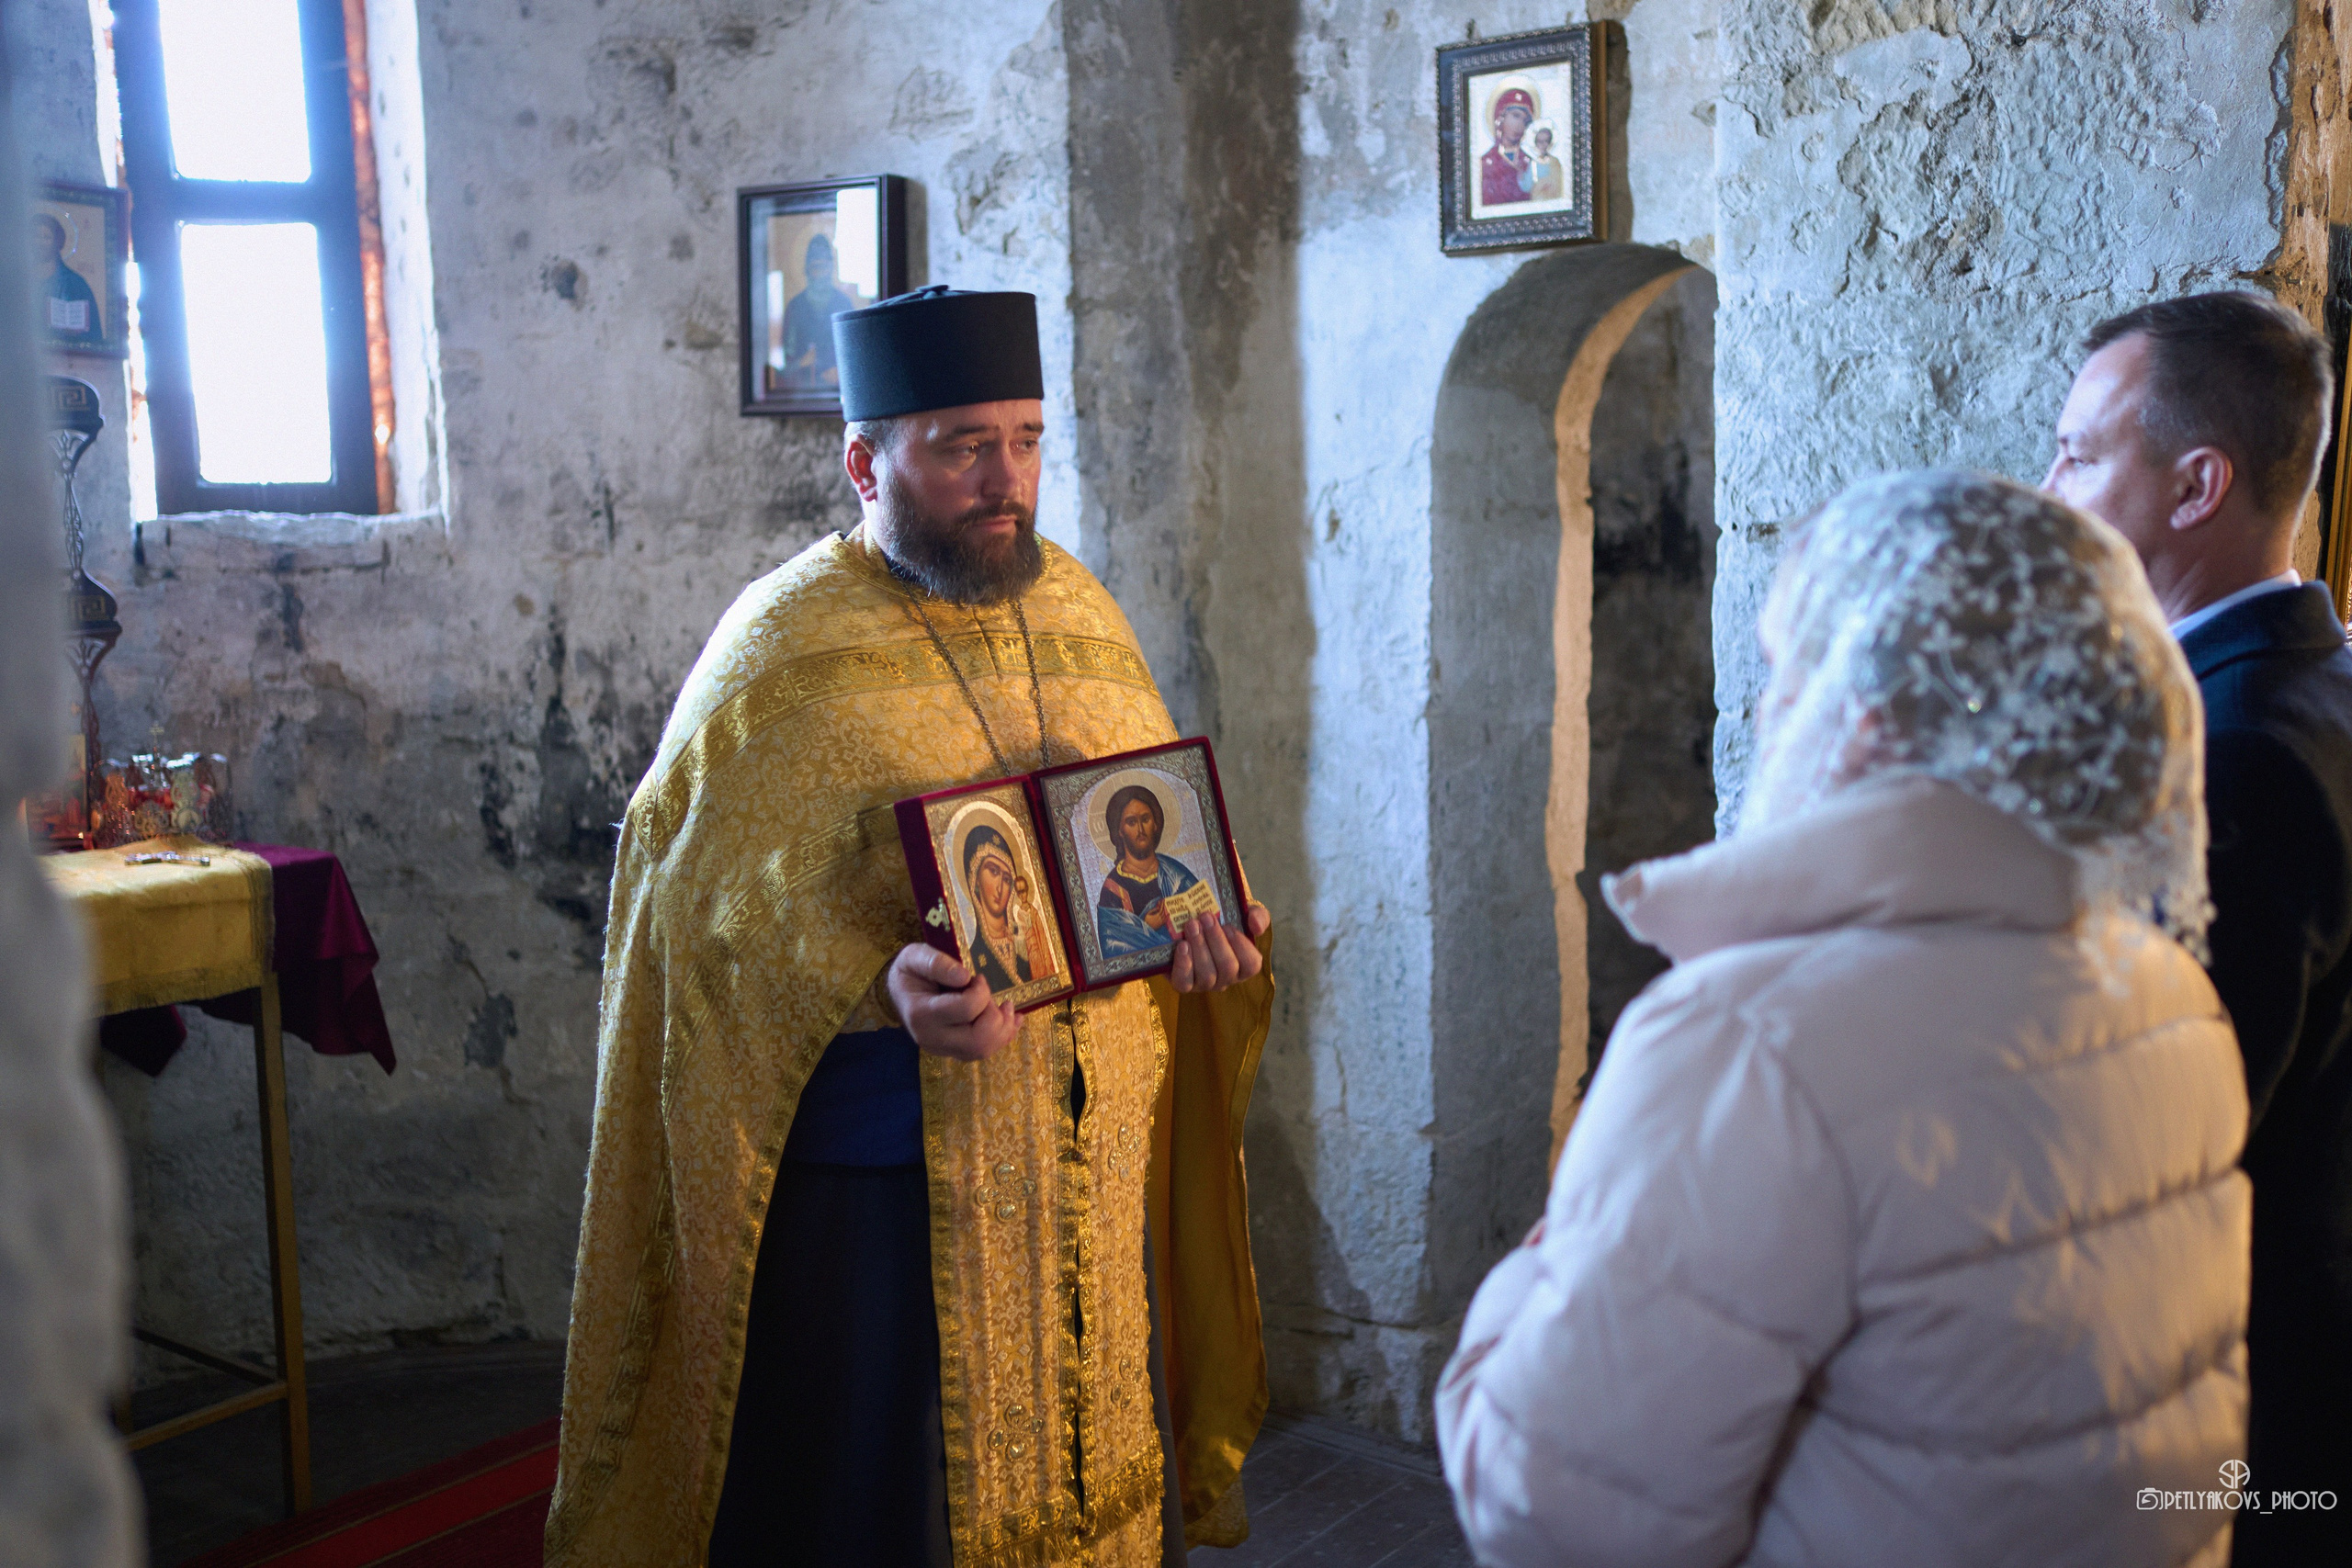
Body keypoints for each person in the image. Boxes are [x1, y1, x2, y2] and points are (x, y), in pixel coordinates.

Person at [546, 286, 1276, 1568]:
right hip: (883, 1186)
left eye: (1029, 438)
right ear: (862, 459)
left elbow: (1136, 850)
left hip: (1078, 1168)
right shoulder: (779, 647)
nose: (1008, 481)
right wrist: (881, 981)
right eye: (962, 445)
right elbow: (698, 929)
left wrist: (1202, 933)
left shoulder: (1081, 615)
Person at [1437, 471, 2252, 1568]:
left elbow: (1555, 1515)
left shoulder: (1750, 1041)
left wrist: (1540, 1267)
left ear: (1859, 718)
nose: (1774, 711)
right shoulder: (2166, 991)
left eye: (1786, 672)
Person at [2045, 290, 2352, 1562]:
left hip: (2246, 1404)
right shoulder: (2320, 678)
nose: (2048, 483)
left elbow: (2169, 1140)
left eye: (2078, 451)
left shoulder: (2228, 759)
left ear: (2197, 485)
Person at [1096, 784, 1206, 956]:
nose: (1140, 830)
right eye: (1131, 822)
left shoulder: (1176, 873)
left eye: (1145, 819)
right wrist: (1145, 927)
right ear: (1119, 831)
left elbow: (1209, 918)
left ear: (1155, 824)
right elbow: (1112, 950)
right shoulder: (1113, 890)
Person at [961, 822, 1055, 993]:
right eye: (994, 872)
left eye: (1006, 879)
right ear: (975, 879)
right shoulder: (972, 957)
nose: (1000, 888)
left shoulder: (1026, 941)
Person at [776, 231, 855, 389]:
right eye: (816, 268)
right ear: (808, 269)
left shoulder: (843, 304)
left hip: (839, 391)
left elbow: (854, 354)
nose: (820, 274)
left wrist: (841, 371)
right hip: (804, 391)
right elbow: (787, 363)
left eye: (824, 267)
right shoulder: (795, 307)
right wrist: (802, 362)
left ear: (831, 268)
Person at [35, 214, 100, 347]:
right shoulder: (18, 281)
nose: (40, 243)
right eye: (36, 236)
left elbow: (93, 337)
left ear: (57, 242)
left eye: (46, 237)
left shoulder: (75, 284)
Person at [1479, 85, 1535, 208]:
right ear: (1500, 118)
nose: (1520, 125)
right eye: (1516, 116)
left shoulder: (1531, 163)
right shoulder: (1484, 163)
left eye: (1525, 121)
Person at [1523, 124, 1564, 201]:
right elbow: (1527, 186)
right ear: (1536, 143)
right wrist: (1521, 173)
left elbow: (1558, 182)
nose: (1543, 144)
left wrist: (1544, 183)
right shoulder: (1533, 163)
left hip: (1552, 200)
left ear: (1550, 142)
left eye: (1546, 141)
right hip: (1537, 201)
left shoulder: (1554, 161)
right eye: (1539, 141)